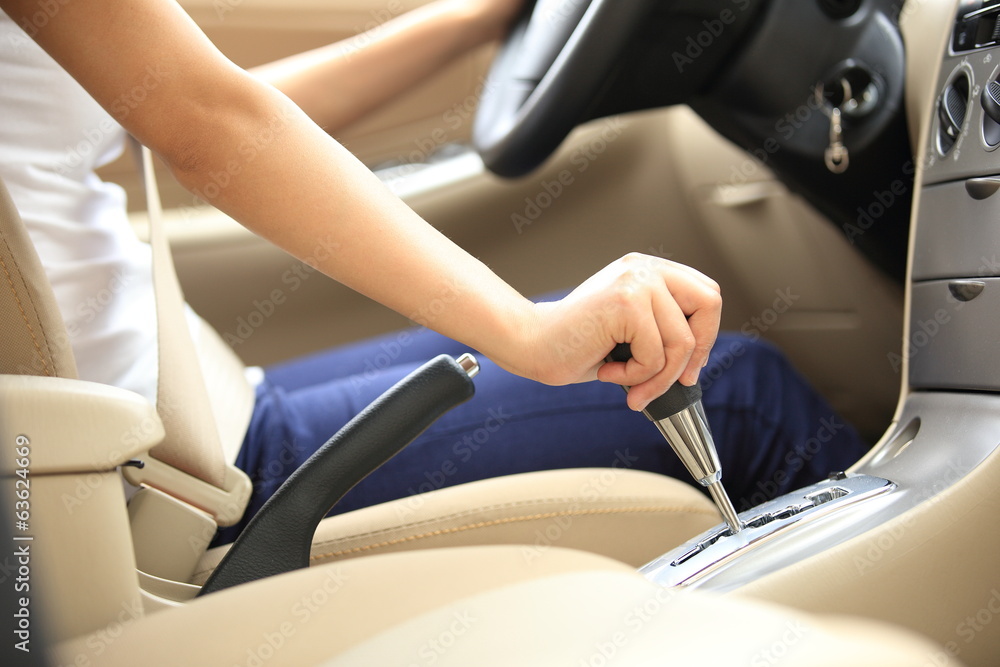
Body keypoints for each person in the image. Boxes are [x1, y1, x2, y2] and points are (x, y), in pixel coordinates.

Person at [0, 0, 869, 545]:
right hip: (176, 473)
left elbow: (191, 100)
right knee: (742, 392)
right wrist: (528, 336)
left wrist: (467, 21)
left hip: (185, 404)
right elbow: (208, 124)